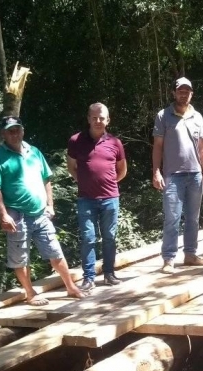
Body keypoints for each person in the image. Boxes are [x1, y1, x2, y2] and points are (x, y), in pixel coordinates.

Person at [0, 116, 86, 305]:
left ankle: (71, 287)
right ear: (3, 134)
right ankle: (30, 294)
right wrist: (3, 214)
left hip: (40, 213)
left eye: (17, 129)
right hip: (16, 214)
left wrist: (50, 205)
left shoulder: (34, 152)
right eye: (10, 131)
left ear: (22, 130)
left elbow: (46, 179)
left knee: (55, 251)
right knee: (20, 257)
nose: (14, 134)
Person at [152, 77, 203, 274]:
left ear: (191, 94)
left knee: (193, 218)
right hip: (173, 176)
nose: (183, 94)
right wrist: (156, 171)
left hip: (195, 174)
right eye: (180, 91)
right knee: (172, 218)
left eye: (187, 91)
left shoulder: (198, 117)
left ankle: (190, 254)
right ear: (174, 93)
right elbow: (158, 146)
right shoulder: (163, 115)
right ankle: (169, 259)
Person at [67, 103, 127, 291]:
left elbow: (122, 170)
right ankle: (89, 278)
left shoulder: (115, 143)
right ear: (88, 119)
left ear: (108, 120)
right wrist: (83, 182)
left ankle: (109, 274)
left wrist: (109, 184)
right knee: (88, 238)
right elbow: (71, 166)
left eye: (102, 118)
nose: (98, 121)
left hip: (110, 198)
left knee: (109, 237)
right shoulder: (76, 140)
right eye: (94, 117)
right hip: (86, 199)